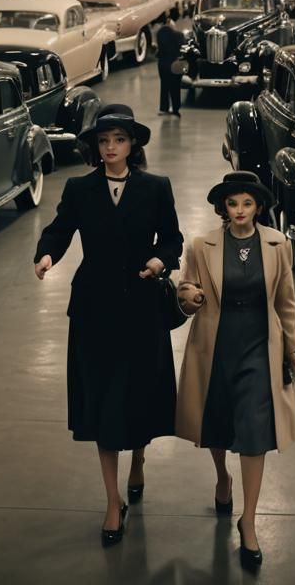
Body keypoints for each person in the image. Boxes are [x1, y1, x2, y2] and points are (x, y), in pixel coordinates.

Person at [33, 103, 183, 548]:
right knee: (104, 402)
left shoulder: (156, 188)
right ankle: (112, 501)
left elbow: (171, 237)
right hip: (95, 308)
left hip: (141, 306)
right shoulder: (80, 189)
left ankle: (138, 457)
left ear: (132, 144)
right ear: (95, 147)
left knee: (138, 396)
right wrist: (46, 255)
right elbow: (60, 230)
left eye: (118, 140)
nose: (111, 148)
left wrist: (160, 260)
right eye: (103, 141)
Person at [176, 171, 295, 569]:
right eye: (233, 204)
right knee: (215, 423)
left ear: (259, 207)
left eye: (248, 204)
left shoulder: (278, 244)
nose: (241, 211)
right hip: (215, 346)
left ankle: (248, 520)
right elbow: (185, 288)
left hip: (259, 347)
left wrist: (294, 347)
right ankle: (222, 478)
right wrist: (190, 297)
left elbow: (286, 299)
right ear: (223, 209)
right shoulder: (202, 245)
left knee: (253, 430)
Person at [155, 12, 186, 117]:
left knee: (164, 86)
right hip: (175, 64)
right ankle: (176, 109)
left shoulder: (159, 33)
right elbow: (183, 48)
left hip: (163, 63)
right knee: (175, 87)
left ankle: (164, 108)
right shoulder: (179, 35)